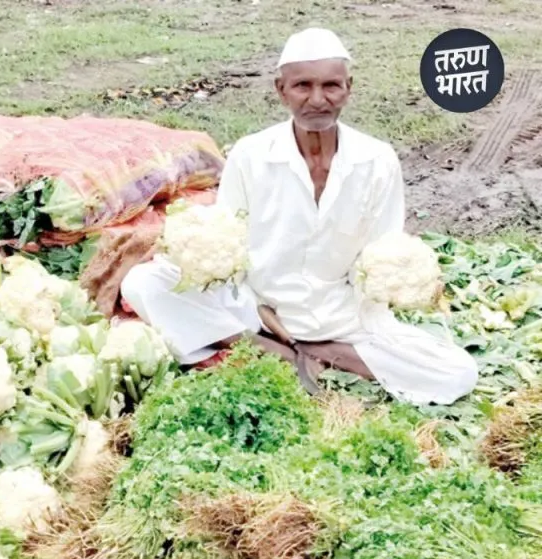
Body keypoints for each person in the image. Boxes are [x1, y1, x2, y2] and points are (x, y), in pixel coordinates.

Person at [119, 27, 478, 406]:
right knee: (144, 282)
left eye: (331, 86)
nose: (317, 100)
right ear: (281, 90)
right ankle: (272, 347)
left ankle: (323, 351)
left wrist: (395, 291)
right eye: (303, 86)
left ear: (349, 88)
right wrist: (256, 304)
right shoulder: (251, 154)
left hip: (342, 315)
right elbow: (227, 243)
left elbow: (380, 258)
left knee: (458, 371)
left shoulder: (377, 160)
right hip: (258, 306)